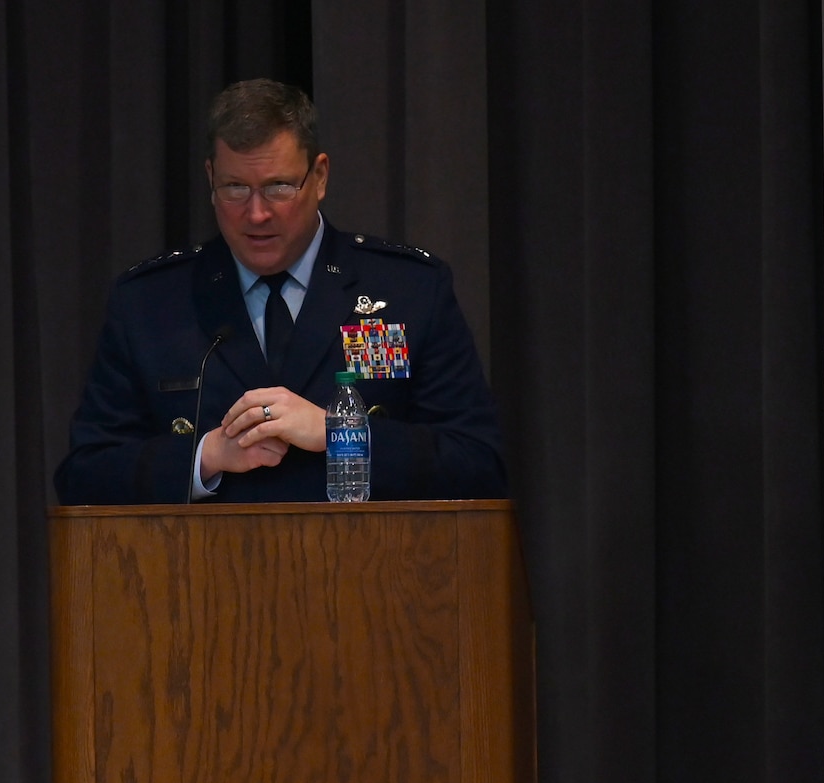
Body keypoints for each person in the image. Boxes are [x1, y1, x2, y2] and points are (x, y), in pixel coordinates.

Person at [54, 79, 506, 505]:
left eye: (278, 187)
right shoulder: (150, 303)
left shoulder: (408, 289)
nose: (256, 214)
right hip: (201, 578)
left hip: (370, 573)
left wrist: (340, 434)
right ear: (211, 179)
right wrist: (204, 457)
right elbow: (84, 475)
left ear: (320, 177)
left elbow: (478, 463)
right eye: (235, 188)